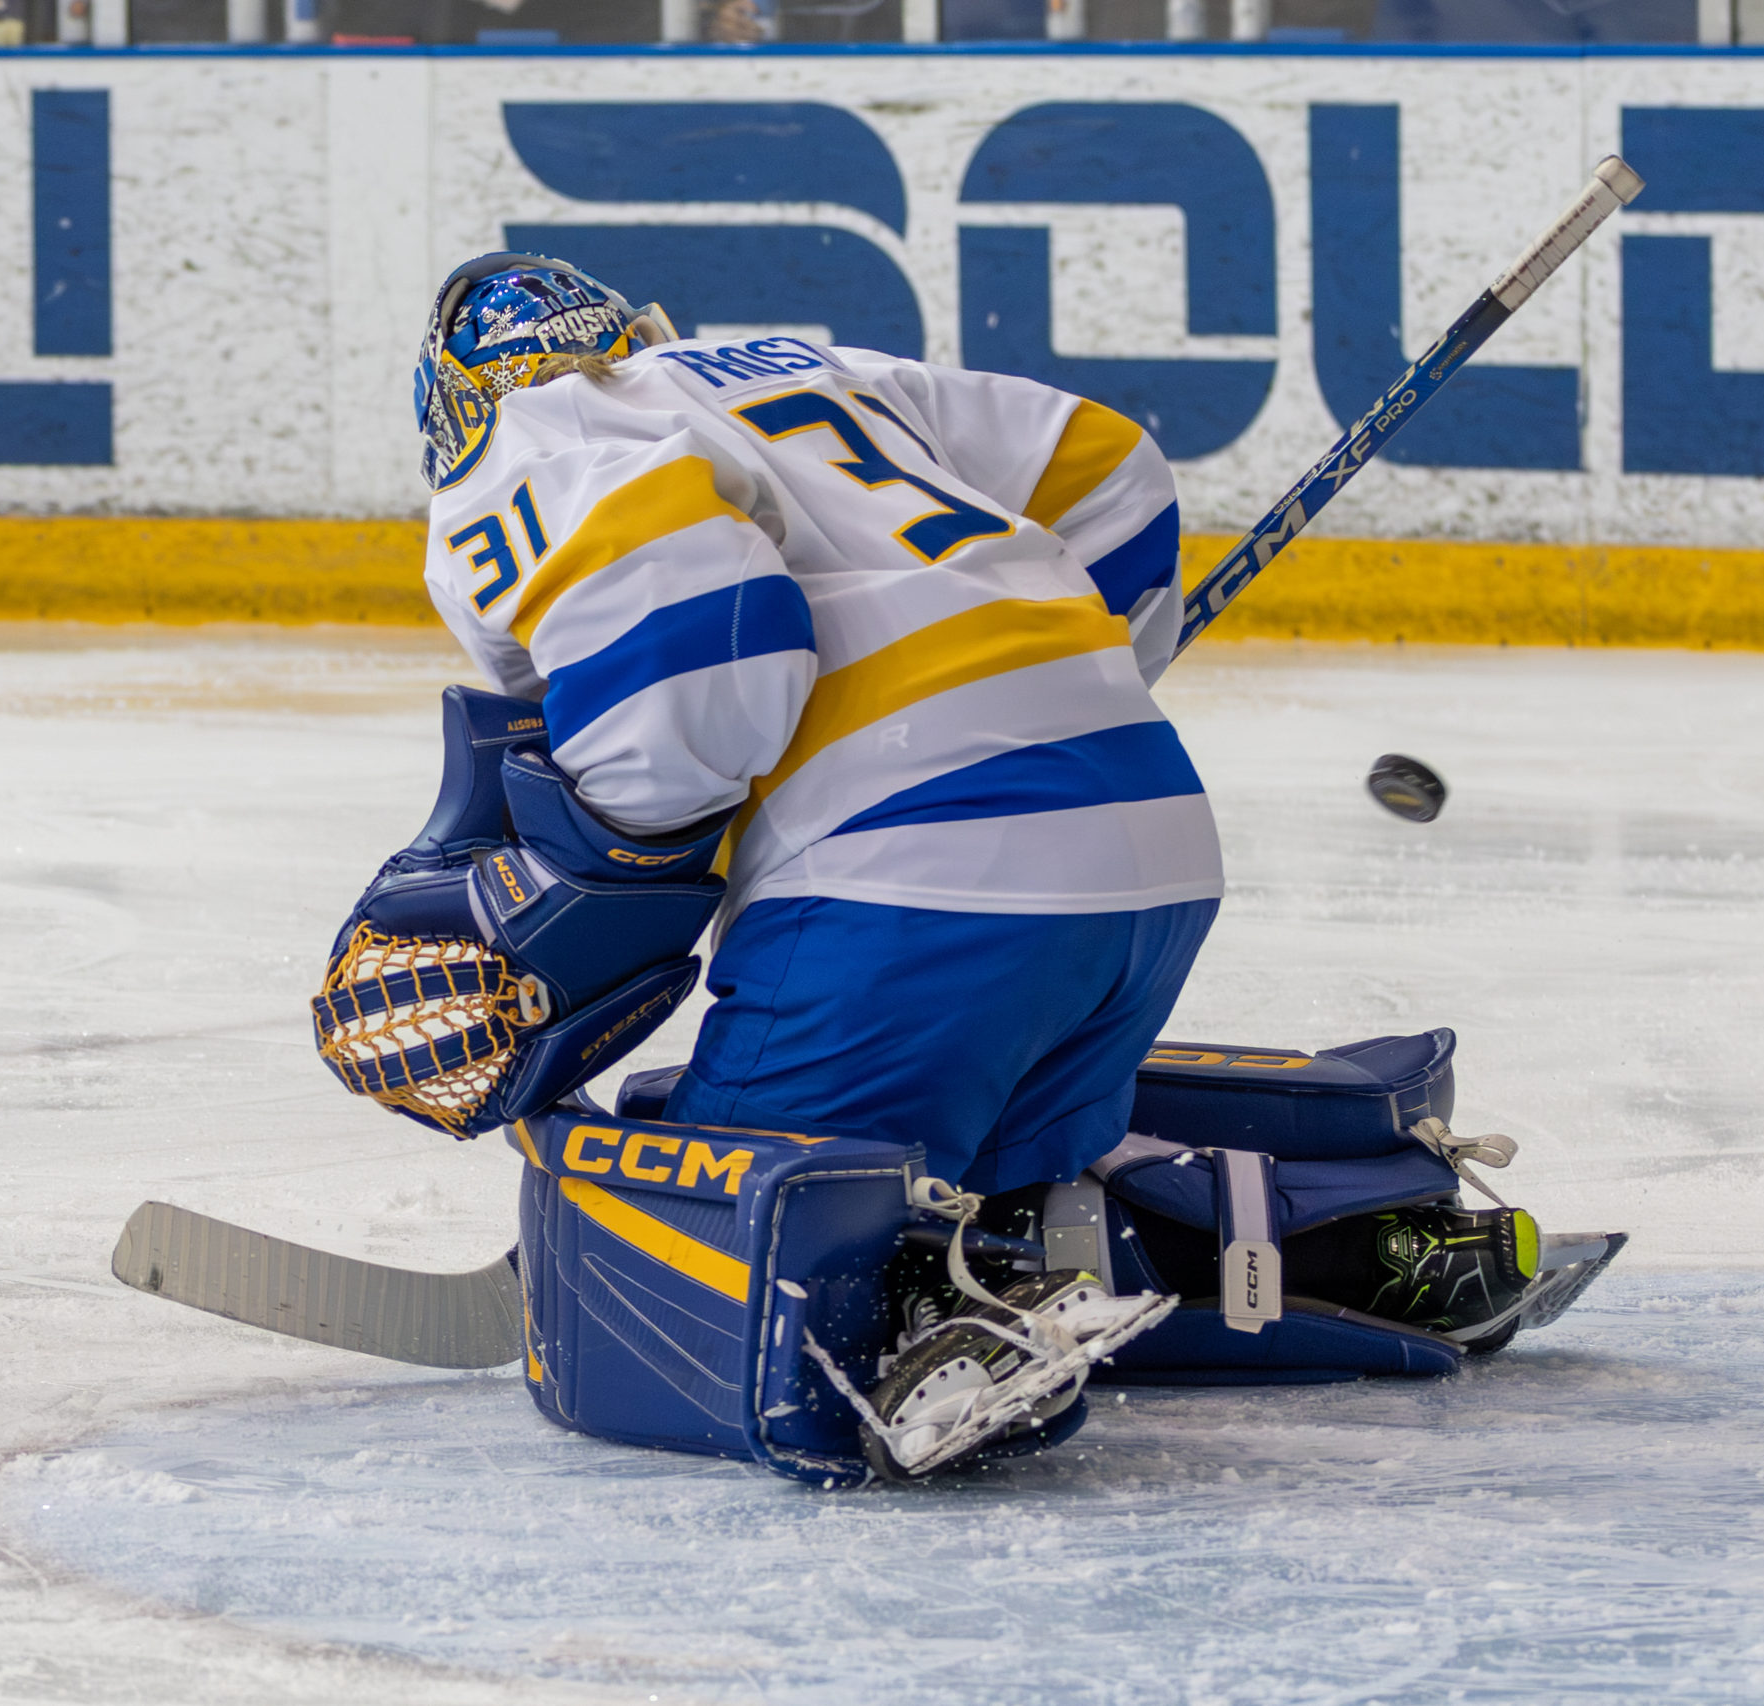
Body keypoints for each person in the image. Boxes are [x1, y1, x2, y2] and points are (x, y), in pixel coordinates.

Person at [412, 252, 1221, 1205]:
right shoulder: (796, 368)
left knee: (715, 1251)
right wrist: (1076, 676)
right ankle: (1319, 1246)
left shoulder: (534, 434)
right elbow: (1112, 471)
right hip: (1156, 852)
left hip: (913, 888)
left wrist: (605, 859)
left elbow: (699, 651)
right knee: (1009, 1222)